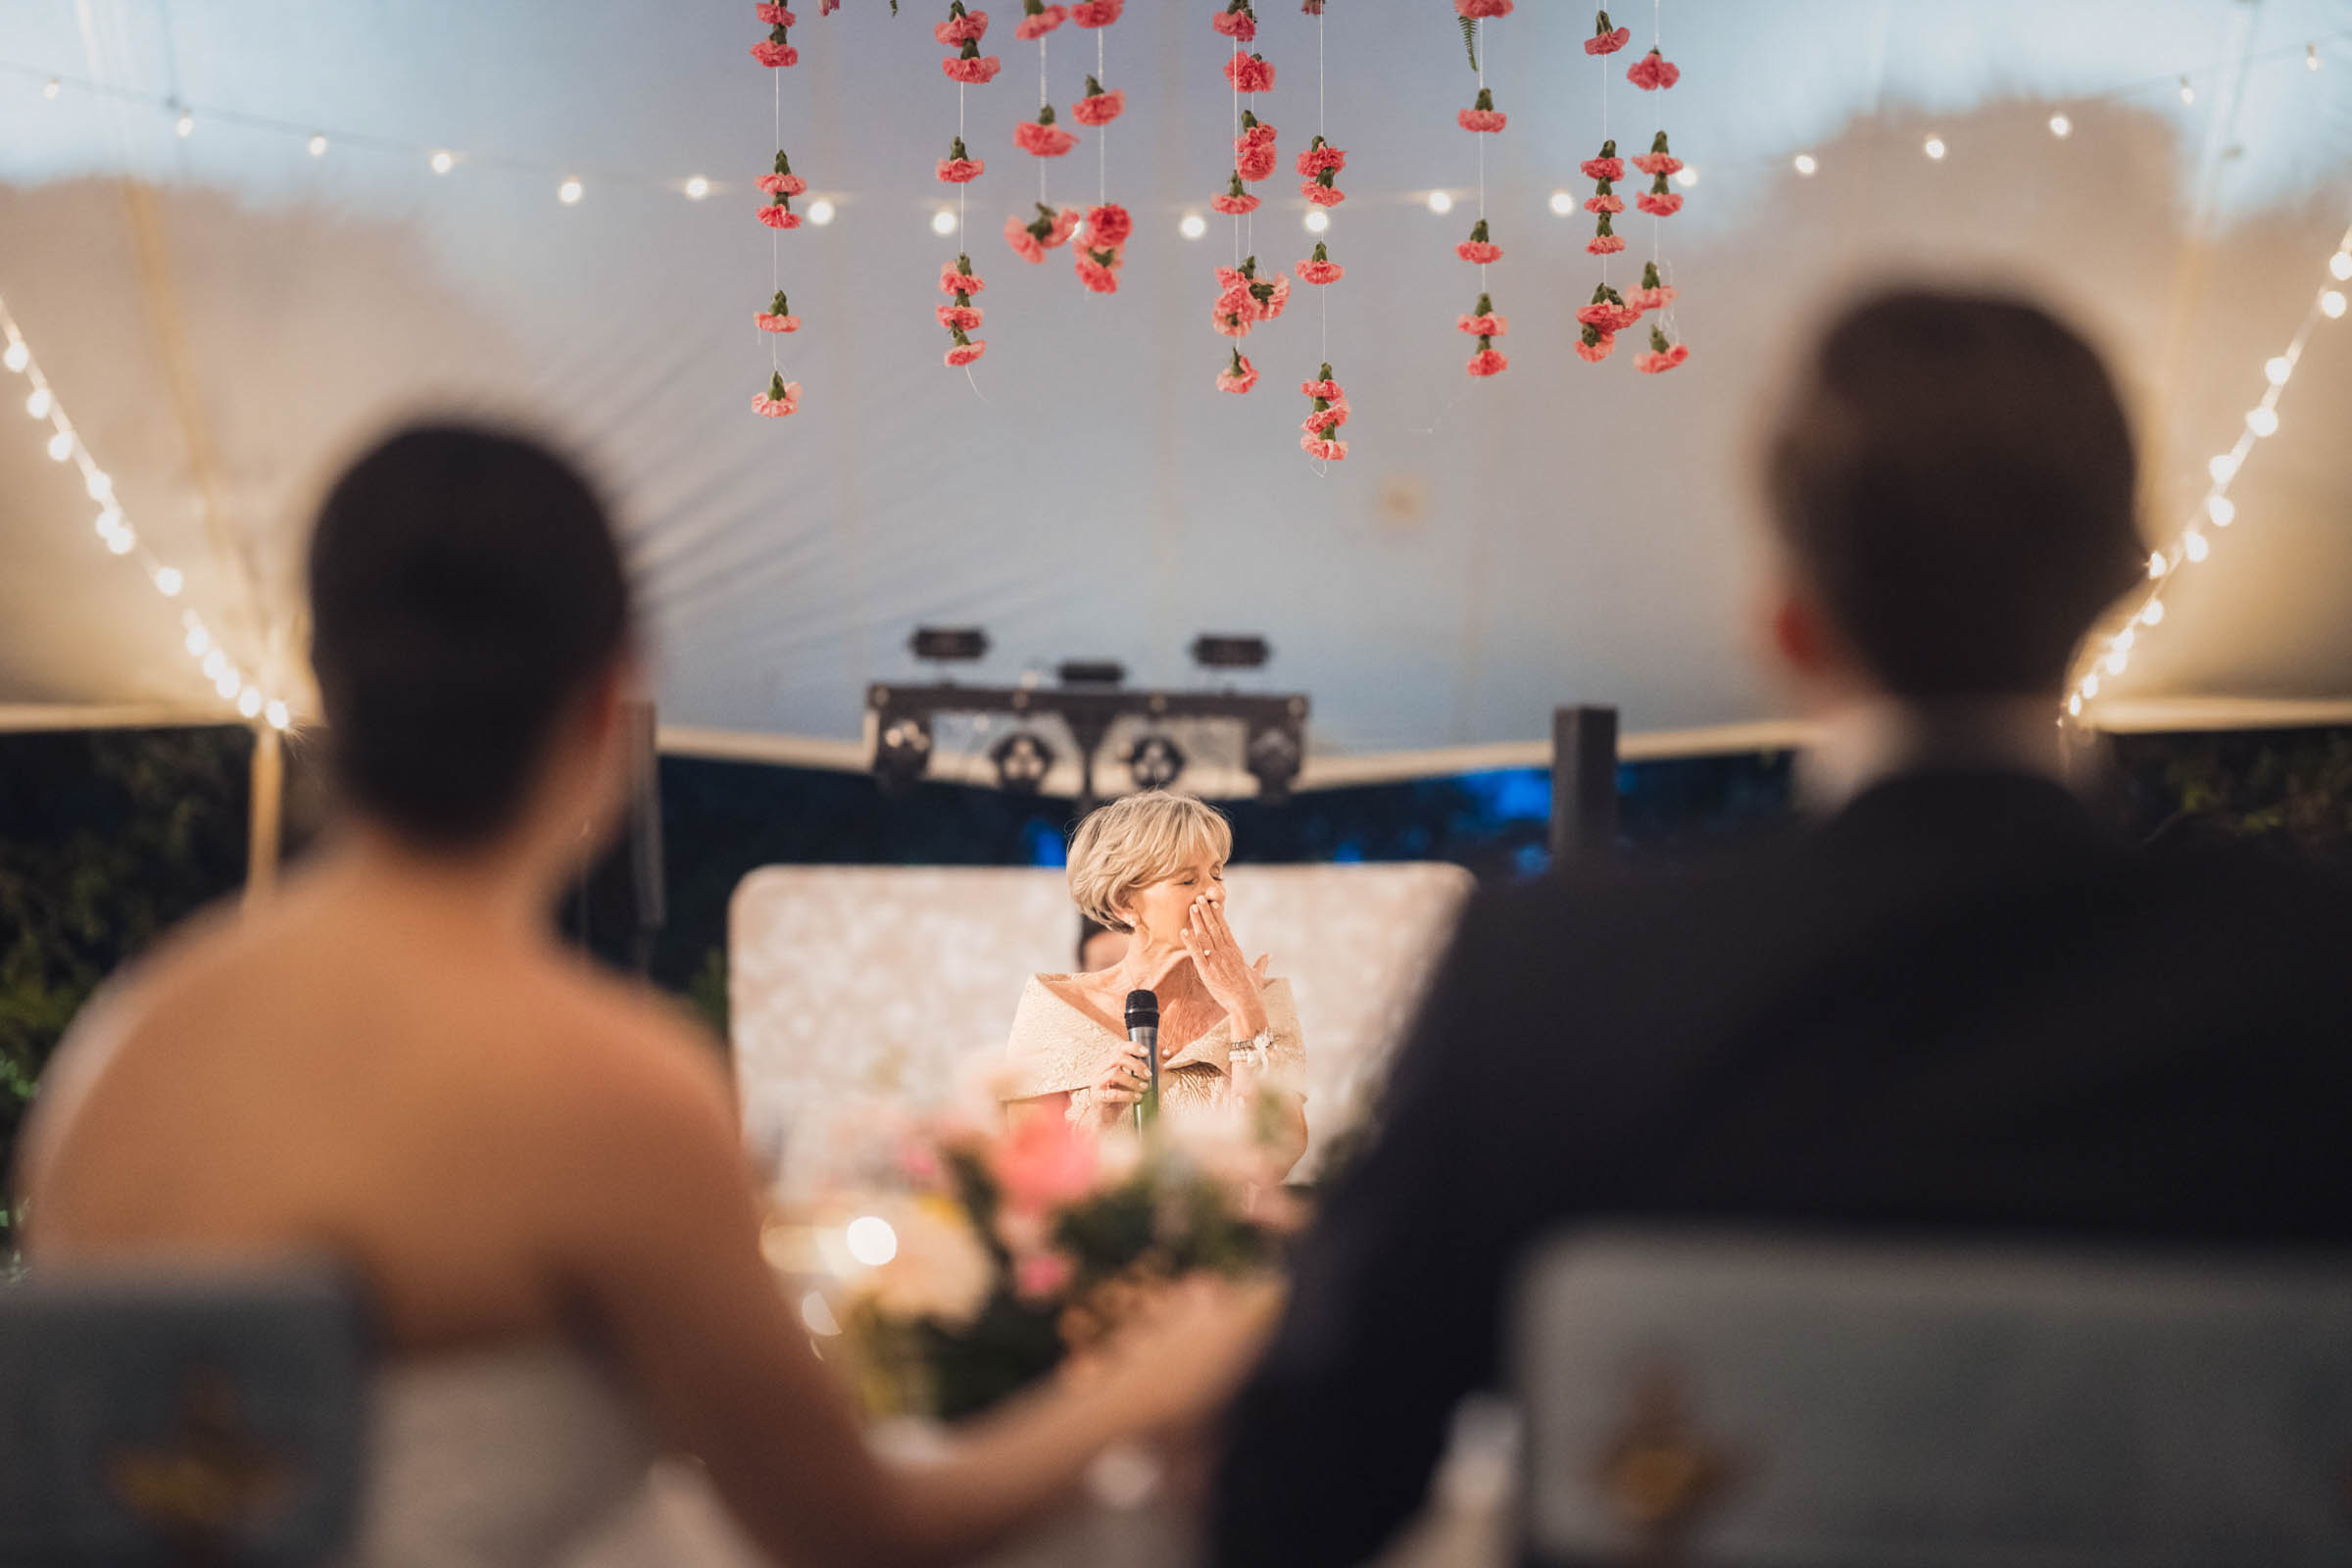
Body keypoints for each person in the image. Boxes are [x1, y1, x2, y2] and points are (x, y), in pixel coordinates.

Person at [1211, 290, 2352, 1566]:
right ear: (2123, 582)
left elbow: (1296, 1505)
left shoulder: (1556, 982)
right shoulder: (2313, 986)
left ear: (1789, 620)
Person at [12, 424, 1275, 1568]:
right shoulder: (603, 1085)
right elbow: (861, 1534)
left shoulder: (120, 1059)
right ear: (606, 700)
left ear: (325, 681)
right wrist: (1156, 1382)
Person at [1003, 793, 1308, 1176]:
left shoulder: (1262, 1000)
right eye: (1187, 879)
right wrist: (1098, 1116)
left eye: (1216, 874)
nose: (1214, 892)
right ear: (1123, 904)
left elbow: (1281, 1155)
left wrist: (1245, 1012)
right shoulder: (1055, 1010)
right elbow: (1028, 1174)